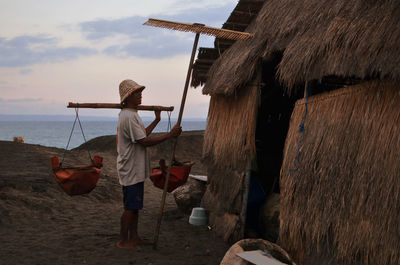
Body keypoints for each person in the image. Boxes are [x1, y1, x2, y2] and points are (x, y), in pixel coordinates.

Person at [116, 79, 182, 251]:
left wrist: (157, 120)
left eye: (140, 92)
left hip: (135, 168)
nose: (140, 95)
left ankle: (134, 237)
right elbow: (144, 141)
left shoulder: (131, 114)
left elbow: (142, 134)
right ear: (128, 96)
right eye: (137, 93)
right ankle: (123, 240)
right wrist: (170, 135)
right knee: (130, 207)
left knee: (135, 206)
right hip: (130, 169)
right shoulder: (128, 116)